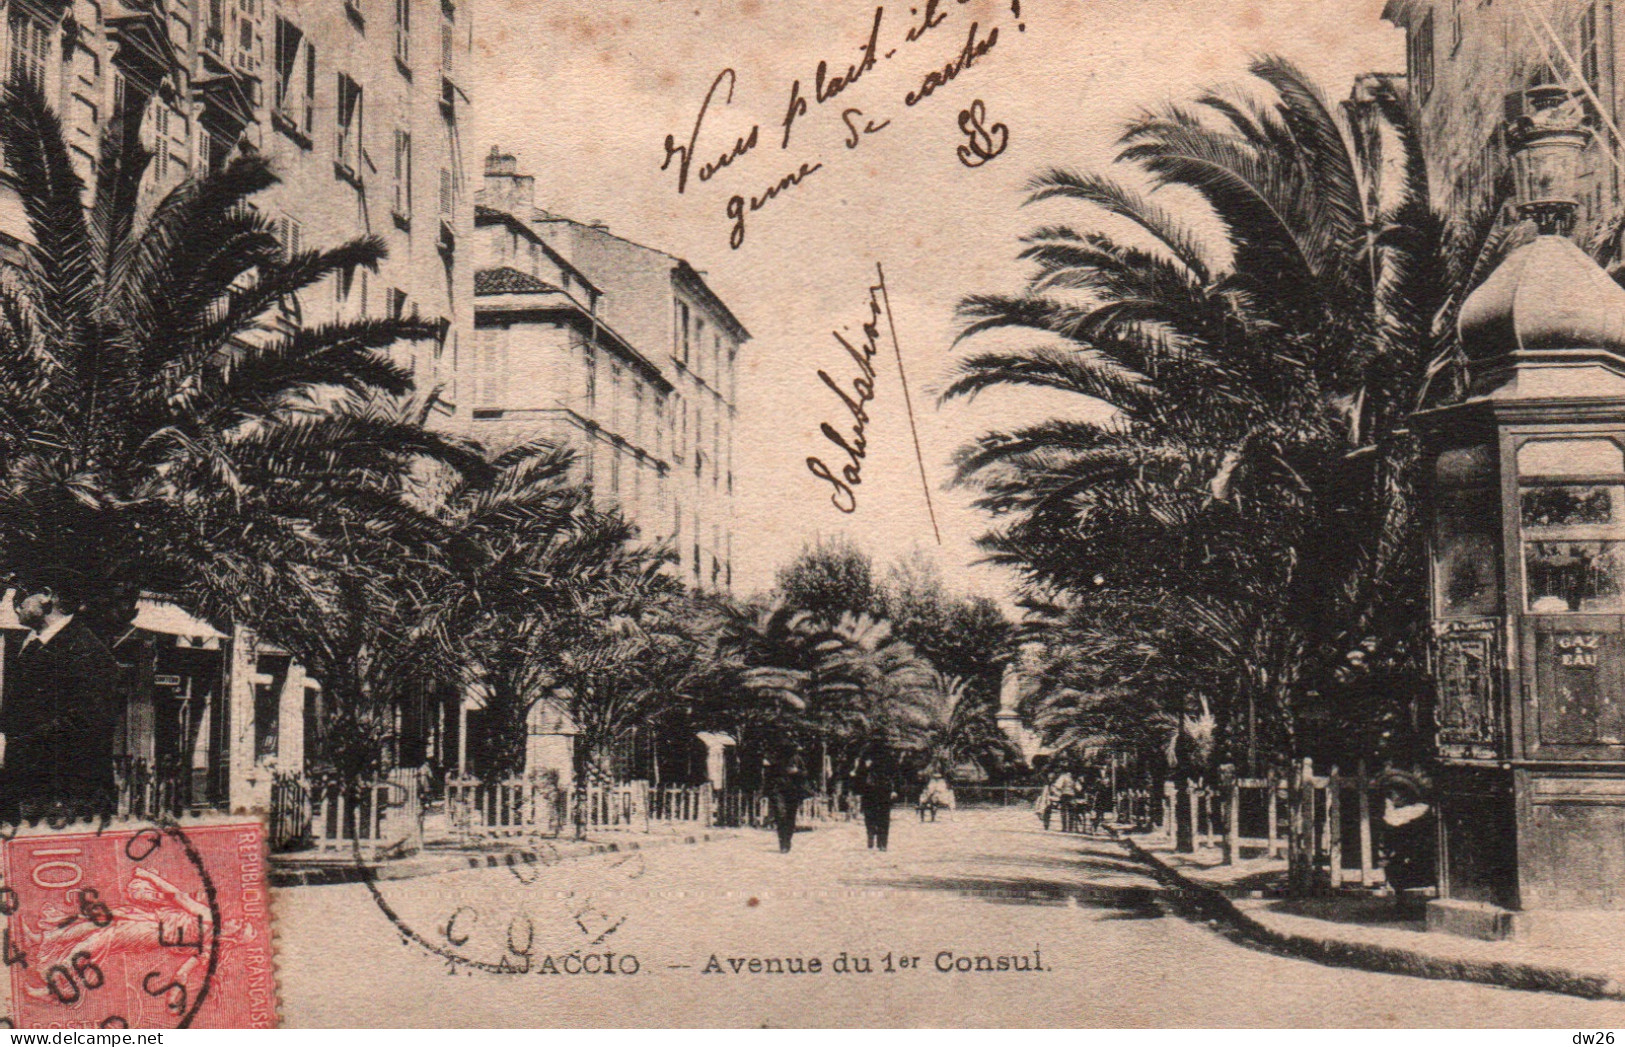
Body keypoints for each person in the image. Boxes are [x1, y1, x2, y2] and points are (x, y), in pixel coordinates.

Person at [0, 569, 123, 822]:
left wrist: (13, 744)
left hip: (67, 801)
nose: (15, 605)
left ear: (46, 596)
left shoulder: (87, 651)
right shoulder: (32, 646)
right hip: (27, 795)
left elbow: (84, 725)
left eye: (20, 597)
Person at [854, 744, 897, 851]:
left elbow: (859, 775)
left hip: (871, 790)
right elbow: (895, 774)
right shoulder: (888, 755)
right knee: (883, 816)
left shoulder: (866, 756)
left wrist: (858, 791)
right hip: (881, 790)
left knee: (871, 815)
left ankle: (872, 835)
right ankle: (881, 842)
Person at [766, 748, 808, 853]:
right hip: (778, 791)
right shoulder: (775, 759)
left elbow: (805, 773)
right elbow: (768, 775)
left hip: (793, 791)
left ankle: (787, 840)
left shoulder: (797, 759)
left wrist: (797, 771)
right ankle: (783, 843)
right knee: (780, 815)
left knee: (790, 818)